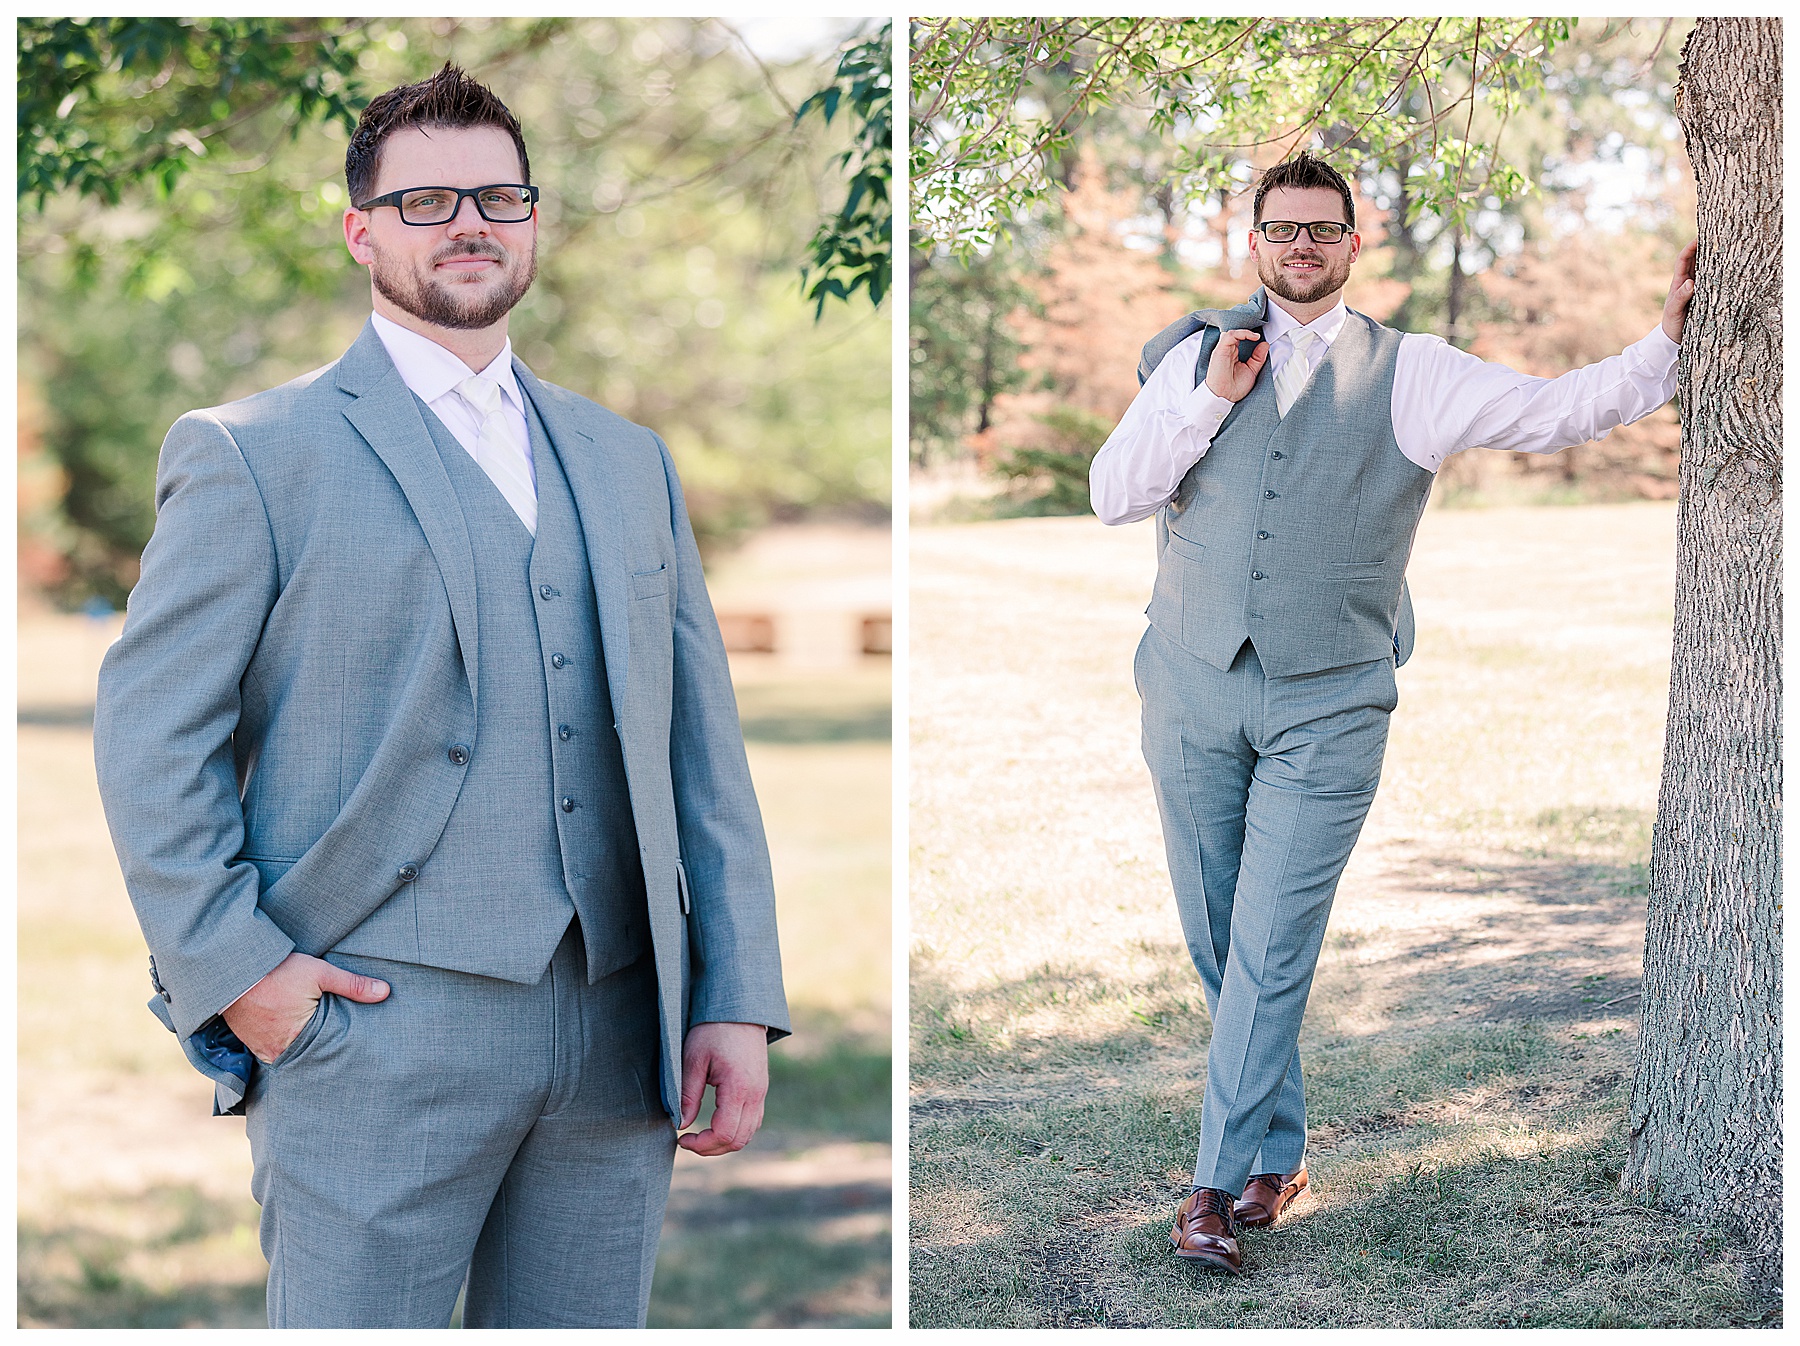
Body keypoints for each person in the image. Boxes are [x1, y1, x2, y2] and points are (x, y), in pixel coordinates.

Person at [93, 63, 788, 1328]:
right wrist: (241, 971)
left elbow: (701, 746)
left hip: (621, 1029)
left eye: (498, 196)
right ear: (360, 229)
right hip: (371, 1030)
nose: (467, 223)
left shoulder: (628, 459)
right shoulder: (254, 450)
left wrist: (734, 991)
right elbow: (151, 735)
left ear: (533, 221)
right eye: (424, 202)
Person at [1089, 152, 1694, 1275]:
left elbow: (1559, 409)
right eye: (1283, 229)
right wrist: (1210, 402)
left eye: (1323, 230)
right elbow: (1114, 491)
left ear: (1355, 244)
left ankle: (1212, 1187)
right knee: (1221, 939)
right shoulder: (1195, 357)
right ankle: (1283, 1148)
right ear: (1254, 240)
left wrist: (1662, 345)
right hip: (1188, 684)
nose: (1302, 247)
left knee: (1270, 943)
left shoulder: (1410, 373)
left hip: (1331, 700)